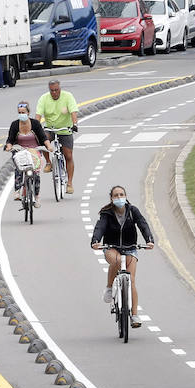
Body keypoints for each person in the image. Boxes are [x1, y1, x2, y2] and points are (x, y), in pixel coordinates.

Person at [90, 184, 156, 330]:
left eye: (121, 195)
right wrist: (95, 241)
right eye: (116, 195)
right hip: (111, 247)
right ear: (111, 198)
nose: (119, 197)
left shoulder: (133, 211)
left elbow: (143, 224)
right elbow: (100, 227)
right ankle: (109, 287)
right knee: (118, 261)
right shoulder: (106, 213)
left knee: (131, 280)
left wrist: (149, 240)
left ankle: (134, 315)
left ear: (126, 197)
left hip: (131, 248)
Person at [35, 79, 79, 194]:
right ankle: (49, 162)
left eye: (56, 90)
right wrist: (35, 127)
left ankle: (69, 183)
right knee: (42, 139)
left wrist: (74, 124)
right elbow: (38, 115)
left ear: (60, 89)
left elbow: (73, 112)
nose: (54, 93)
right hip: (50, 128)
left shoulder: (68, 96)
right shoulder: (44, 98)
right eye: (52, 91)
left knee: (68, 155)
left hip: (65, 129)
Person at [3, 100, 50, 204]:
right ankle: (17, 191)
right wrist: (9, 147)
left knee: (36, 174)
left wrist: (49, 146)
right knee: (18, 169)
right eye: (19, 113)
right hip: (20, 150)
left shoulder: (35, 124)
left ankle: (37, 196)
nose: (21, 115)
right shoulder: (14, 124)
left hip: (34, 151)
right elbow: (10, 139)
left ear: (28, 113)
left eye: (23, 112)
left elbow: (43, 138)